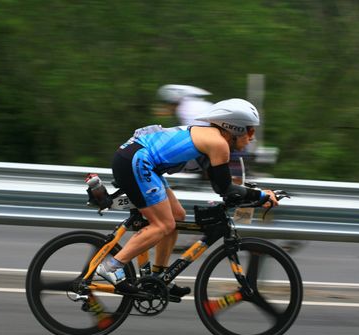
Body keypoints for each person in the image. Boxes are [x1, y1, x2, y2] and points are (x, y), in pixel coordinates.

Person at [96, 98, 279, 297]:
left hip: (138, 159)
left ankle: (158, 278)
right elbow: (226, 189)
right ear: (234, 127)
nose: (252, 137)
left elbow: (219, 184)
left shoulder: (212, 138)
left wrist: (249, 193)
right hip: (137, 161)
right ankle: (111, 267)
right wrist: (260, 196)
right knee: (163, 224)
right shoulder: (218, 143)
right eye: (250, 130)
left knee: (176, 216)